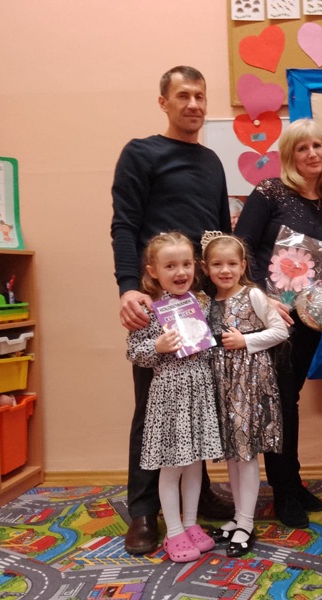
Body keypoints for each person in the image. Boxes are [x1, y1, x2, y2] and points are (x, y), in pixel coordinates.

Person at [110, 65, 233, 555]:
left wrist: (228, 289)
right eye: (183, 95)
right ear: (164, 102)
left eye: (200, 96)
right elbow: (124, 225)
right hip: (157, 300)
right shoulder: (141, 153)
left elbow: (221, 232)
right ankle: (144, 510)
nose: (194, 104)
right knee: (154, 405)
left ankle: (196, 497)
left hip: (202, 298)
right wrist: (128, 288)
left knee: (199, 396)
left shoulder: (212, 162)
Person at [234, 118, 322, 529]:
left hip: (306, 322)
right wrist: (264, 300)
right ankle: (283, 490)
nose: (311, 153)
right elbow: (241, 249)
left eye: (317, 146)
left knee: (288, 400)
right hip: (267, 318)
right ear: (289, 155)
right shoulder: (270, 192)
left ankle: (291, 482)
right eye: (302, 147)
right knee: (276, 403)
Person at [125, 232, 224, 563]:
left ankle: (191, 523)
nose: (180, 272)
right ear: (153, 271)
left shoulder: (202, 302)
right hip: (169, 397)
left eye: (186, 264)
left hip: (199, 393)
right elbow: (134, 352)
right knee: (172, 466)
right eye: (170, 266)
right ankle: (174, 531)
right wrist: (157, 346)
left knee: (195, 464)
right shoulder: (148, 308)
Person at [202, 232, 289, 557]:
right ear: (206, 268)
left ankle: (247, 522)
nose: (225, 270)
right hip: (222, 382)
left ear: (243, 265)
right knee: (232, 452)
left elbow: (281, 330)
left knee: (246, 451)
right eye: (217, 264)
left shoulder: (253, 294)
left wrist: (246, 341)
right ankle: (239, 517)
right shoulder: (208, 301)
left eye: (232, 264)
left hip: (249, 381)